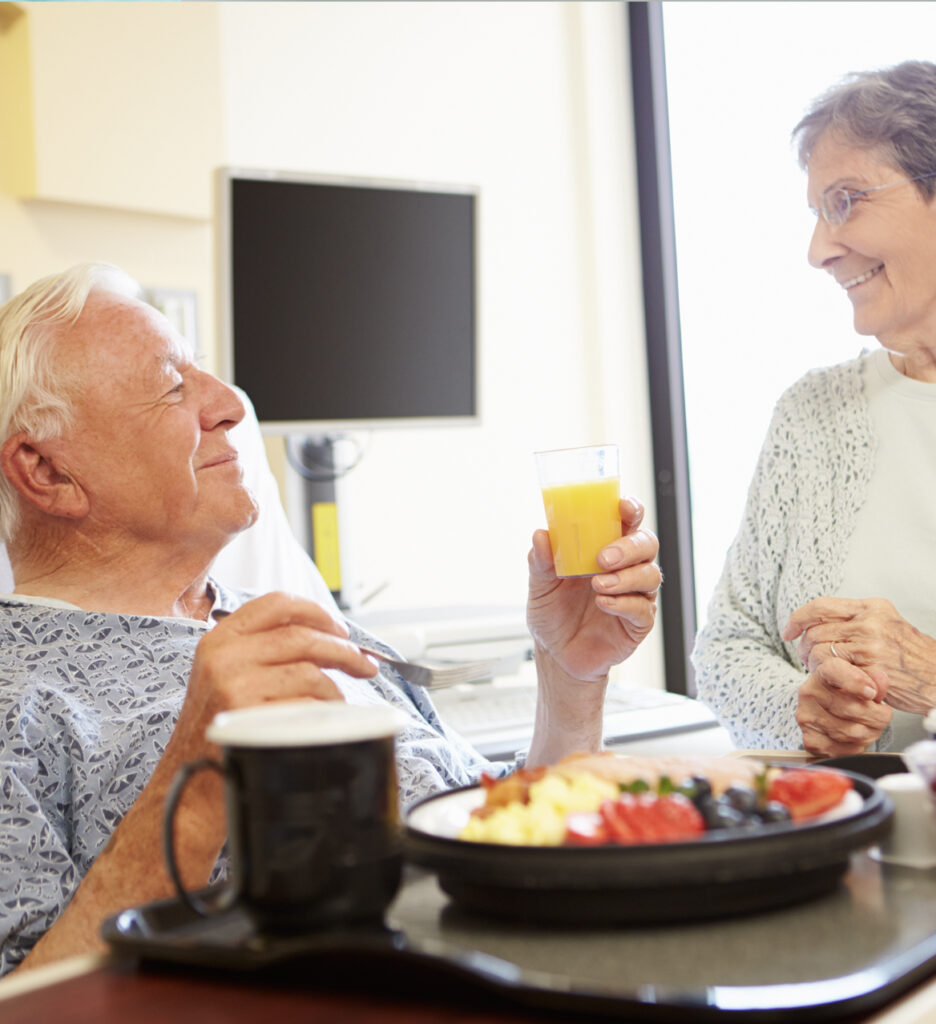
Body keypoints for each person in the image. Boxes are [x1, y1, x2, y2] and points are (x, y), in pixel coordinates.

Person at [0, 262, 661, 976]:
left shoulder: (296, 629)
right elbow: (25, 1001)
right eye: (172, 386)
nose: (229, 406)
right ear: (46, 473)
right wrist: (194, 786)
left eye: (205, 374)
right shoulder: (21, 697)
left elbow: (502, 844)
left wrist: (569, 677)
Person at [693, 60, 936, 759]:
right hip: (846, 845)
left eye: (846, 201)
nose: (819, 249)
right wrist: (802, 708)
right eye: (817, 212)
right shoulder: (814, 414)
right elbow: (728, 648)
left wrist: (929, 676)